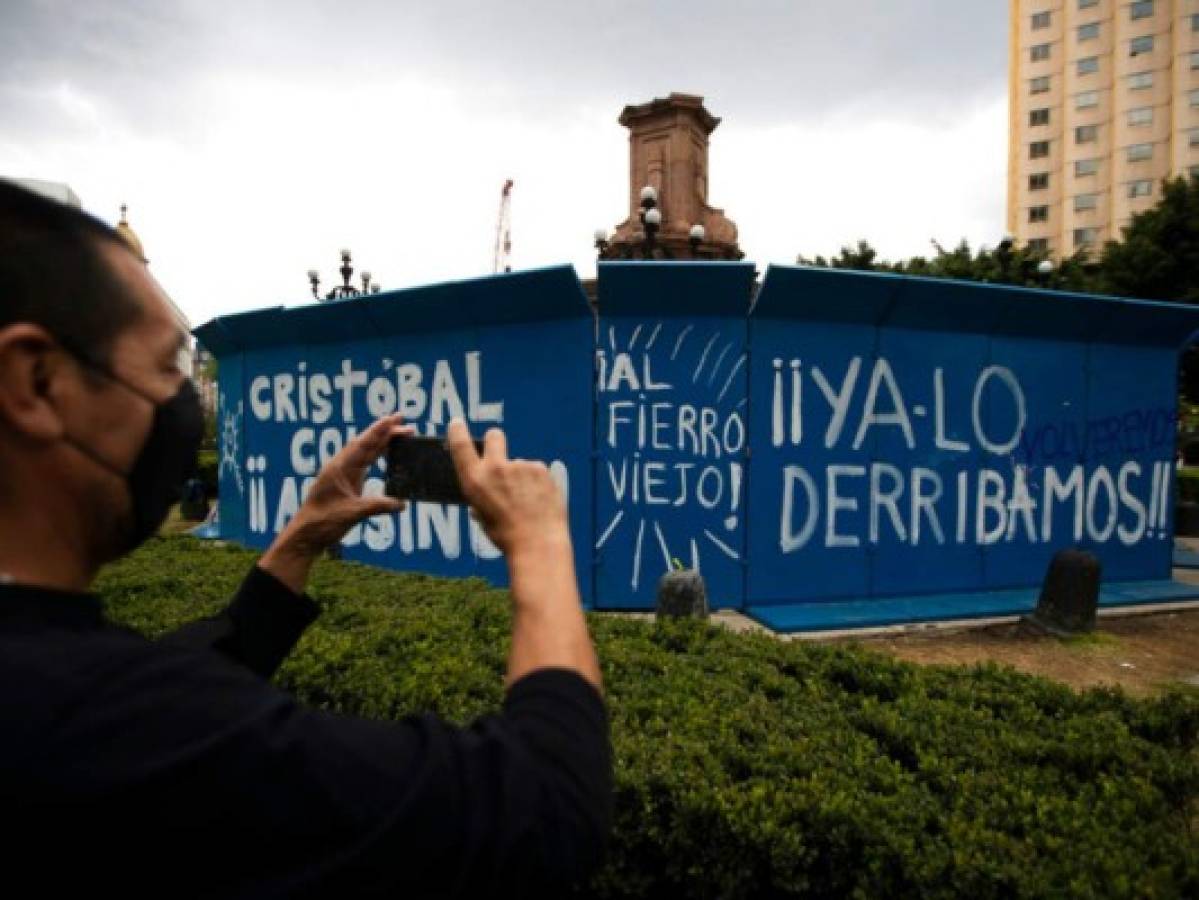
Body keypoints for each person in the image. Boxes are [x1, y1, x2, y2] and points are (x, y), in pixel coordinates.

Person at [0, 180, 611, 897]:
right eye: (166, 365)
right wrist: (539, 544)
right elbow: (544, 808)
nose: (181, 400)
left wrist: (294, 548)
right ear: (37, 382)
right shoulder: (97, 723)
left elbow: (172, 674)